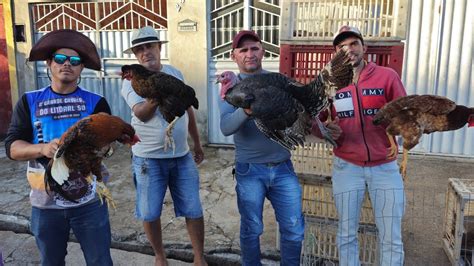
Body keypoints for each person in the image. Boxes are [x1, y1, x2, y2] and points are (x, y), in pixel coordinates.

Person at [4, 29, 113, 265]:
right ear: (49, 63)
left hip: (89, 201)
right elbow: (13, 148)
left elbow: (107, 148)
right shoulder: (29, 101)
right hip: (45, 203)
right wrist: (42, 149)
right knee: (51, 262)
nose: (67, 65)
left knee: (100, 261)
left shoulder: (96, 103)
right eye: (60, 59)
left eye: (75, 61)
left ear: (81, 67)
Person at [314, 25, 407, 266]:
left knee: (391, 235)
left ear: (364, 47)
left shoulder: (387, 76)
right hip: (347, 166)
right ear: (336, 53)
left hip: (385, 167)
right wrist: (325, 130)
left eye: (353, 43)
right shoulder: (329, 83)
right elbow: (317, 120)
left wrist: (401, 131)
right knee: (346, 233)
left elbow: (405, 115)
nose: (348, 49)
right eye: (342, 46)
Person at [121, 26, 206, 266]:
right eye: (139, 49)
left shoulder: (175, 72)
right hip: (148, 159)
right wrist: (158, 91)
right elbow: (142, 113)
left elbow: (187, 108)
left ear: (159, 48)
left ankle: (199, 258)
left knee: (193, 208)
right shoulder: (132, 83)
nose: (145, 52)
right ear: (136, 56)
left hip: (181, 156)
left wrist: (197, 143)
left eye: (150, 46)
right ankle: (160, 256)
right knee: (149, 212)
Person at [218, 30, 305, 265]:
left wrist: (323, 126)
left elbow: (300, 113)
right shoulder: (230, 87)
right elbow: (226, 127)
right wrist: (247, 109)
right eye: (243, 50)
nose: (249, 54)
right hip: (249, 171)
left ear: (263, 51)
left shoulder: (278, 81)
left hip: (282, 166)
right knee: (251, 229)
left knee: (294, 228)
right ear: (234, 55)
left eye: (254, 48)